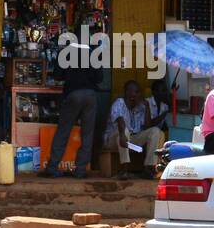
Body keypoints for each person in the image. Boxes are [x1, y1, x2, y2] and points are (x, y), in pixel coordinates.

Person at [40, 49, 101, 179]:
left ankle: (52, 167)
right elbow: (99, 78)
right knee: (87, 134)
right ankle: (80, 170)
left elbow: (57, 75)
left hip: (73, 94)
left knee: (63, 131)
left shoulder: (65, 52)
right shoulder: (93, 53)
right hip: (90, 94)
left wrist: (70, 75)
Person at [105, 81, 163, 178]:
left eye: (138, 92)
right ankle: (124, 169)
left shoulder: (140, 107)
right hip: (114, 139)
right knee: (124, 131)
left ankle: (148, 168)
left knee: (155, 131)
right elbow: (120, 121)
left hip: (130, 140)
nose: (139, 95)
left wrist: (147, 107)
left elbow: (148, 127)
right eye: (136, 92)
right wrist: (123, 136)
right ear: (128, 93)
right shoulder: (119, 103)